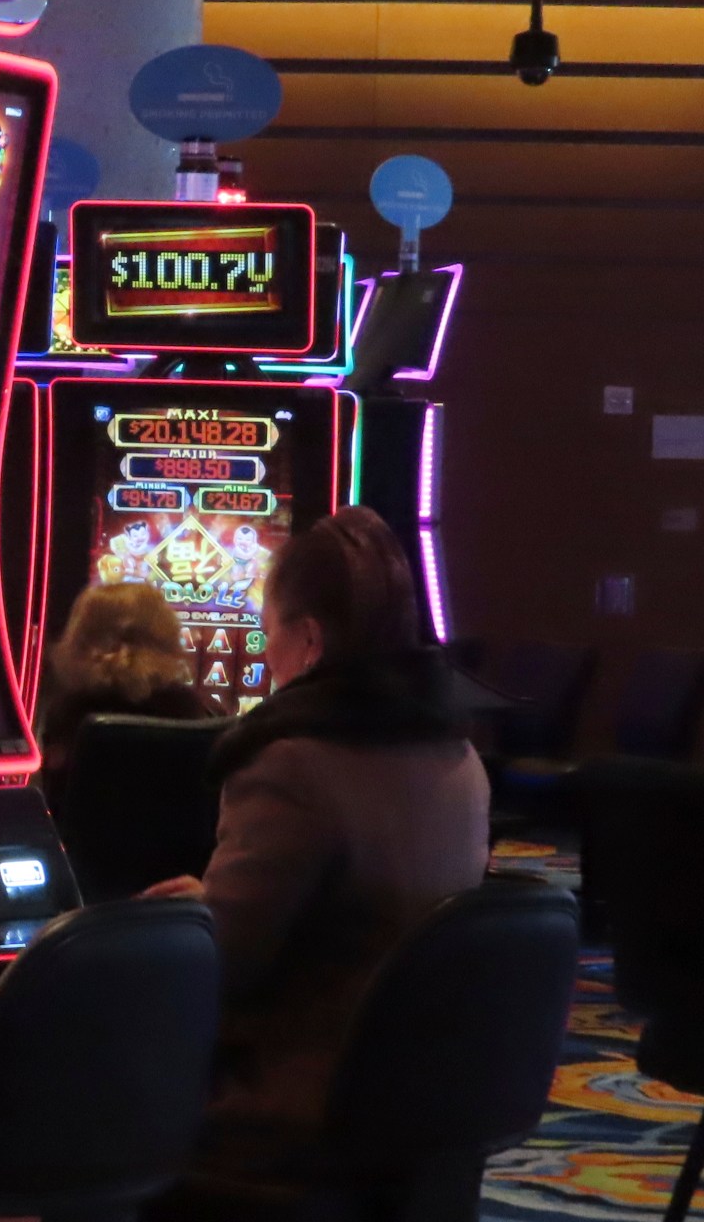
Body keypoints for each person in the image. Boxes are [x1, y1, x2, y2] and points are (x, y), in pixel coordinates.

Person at [141, 507, 489, 1196]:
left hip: (300, 1097)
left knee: (81, 1056)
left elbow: (225, 971)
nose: (266, 658)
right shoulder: (460, 755)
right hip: (432, 1094)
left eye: (267, 636)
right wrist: (207, 908)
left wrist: (177, 931)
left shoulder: (293, 763)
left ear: (308, 639)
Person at [34, 581, 221, 806]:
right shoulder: (203, 714)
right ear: (167, 635)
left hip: (87, 841)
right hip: (190, 842)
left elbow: (52, 803)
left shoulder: (66, 715)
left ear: (79, 637)